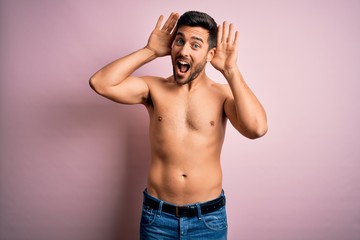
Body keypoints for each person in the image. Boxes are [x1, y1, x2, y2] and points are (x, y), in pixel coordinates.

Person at [89, 10, 267, 240]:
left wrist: (231, 71)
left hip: (208, 219)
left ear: (210, 53)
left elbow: (257, 128)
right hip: (158, 218)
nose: (183, 50)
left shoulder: (222, 95)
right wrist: (150, 51)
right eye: (179, 41)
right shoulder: (154, 89)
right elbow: (100, 83)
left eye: (195, 45)